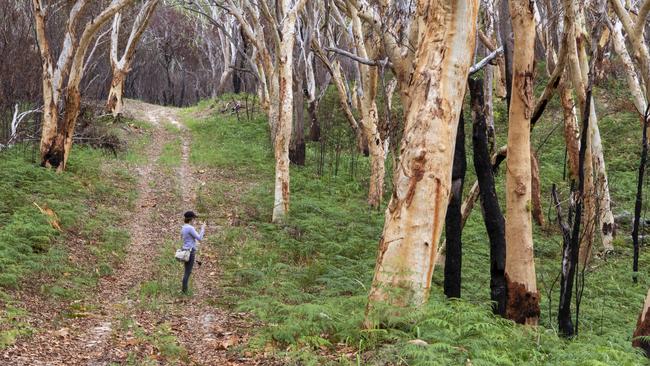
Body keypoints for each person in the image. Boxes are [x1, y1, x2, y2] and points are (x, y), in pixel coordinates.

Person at [181, 211, 205, 294]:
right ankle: (184, 291)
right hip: (190, 252)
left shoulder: (183, 227)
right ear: (191, 219)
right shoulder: (190, 228)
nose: (194, 220)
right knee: (188, 271)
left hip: (185, 250)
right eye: (194, 218)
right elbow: (200, 238)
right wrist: (203, 228)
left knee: (186, 271)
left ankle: (184, 290)